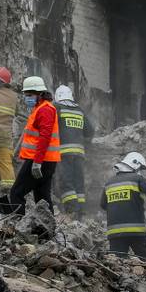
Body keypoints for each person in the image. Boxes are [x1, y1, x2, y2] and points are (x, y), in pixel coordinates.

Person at [7, 76, 60, 215]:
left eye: (29, 95)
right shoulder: (40, 108)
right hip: (46, 160)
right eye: (25, 95)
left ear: (39, 94)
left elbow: (45, 137)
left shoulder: (45, 109)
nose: (27, 98)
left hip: (39, 160)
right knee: (42, 197)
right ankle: (46, 232)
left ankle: (18, 227)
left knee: (16, 193)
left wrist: (37, 162)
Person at [53, 84, 94, 217]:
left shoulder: (57, 107)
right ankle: (81, 209)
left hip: (64, 152)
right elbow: (90, 131)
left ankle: (72, 210)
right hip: (79, 153)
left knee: (66, 181)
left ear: (57, 97)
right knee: (78, 181)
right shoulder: (79, 110)